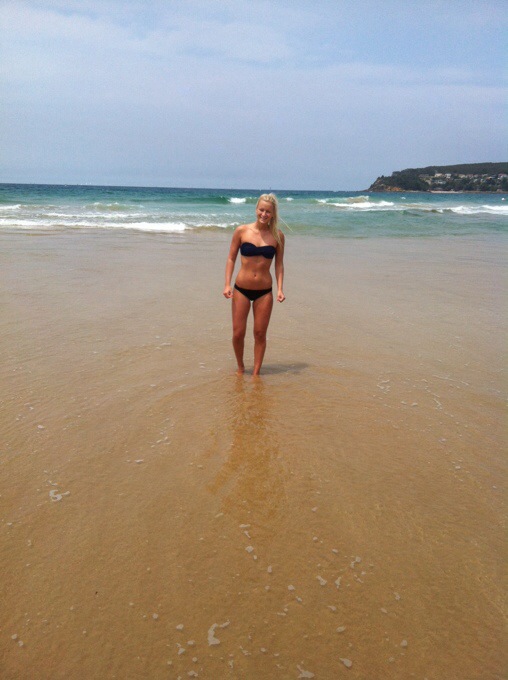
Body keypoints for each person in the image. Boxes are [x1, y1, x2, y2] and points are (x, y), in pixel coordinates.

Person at [223, 193, 285, 376]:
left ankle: (256, 374)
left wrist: (280, 289)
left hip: (264, 292)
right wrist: (227, 284)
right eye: (261, 210)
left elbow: (279, 264)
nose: (264, 214)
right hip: (241, 289)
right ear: (256, 209)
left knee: (260, 334)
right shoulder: (241, 231)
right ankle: (241, 368)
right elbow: (231, 258)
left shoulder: (278, 236)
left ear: (273, 214)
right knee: (238, 333)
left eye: (268, 212)